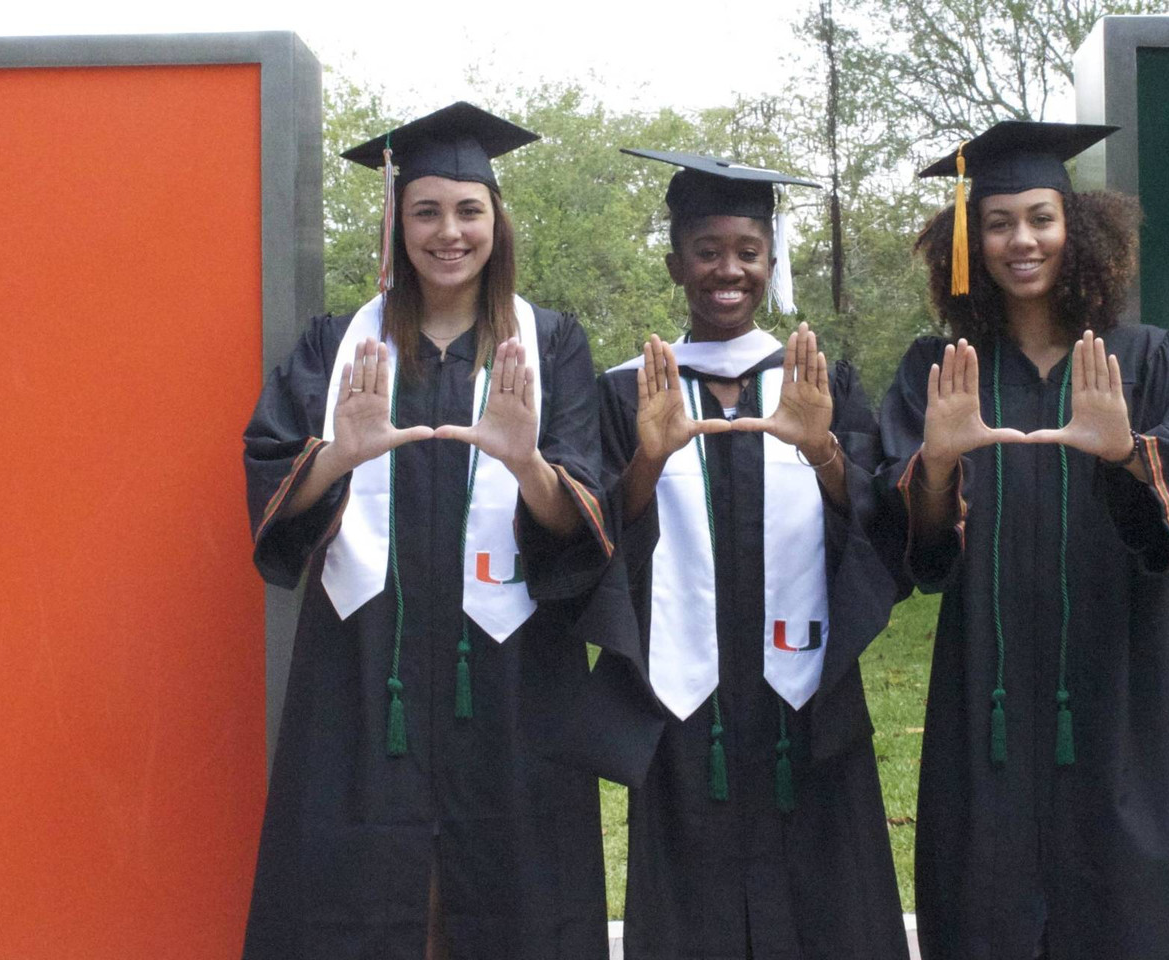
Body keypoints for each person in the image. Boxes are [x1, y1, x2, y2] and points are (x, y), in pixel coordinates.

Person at [240, 102, 613, 960]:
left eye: (468, 210)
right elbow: (272, 498)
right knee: (358, 883)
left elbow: (581, 518)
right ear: (397, 222)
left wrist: (529, 465)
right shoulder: (339, 347)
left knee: (515, 884)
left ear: (496, 220)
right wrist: (337, 456)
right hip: (366, 663)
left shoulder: (549, 344)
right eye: (427, 210)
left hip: (515, 664)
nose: (450, 232)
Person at [878, 120, 1169, 959]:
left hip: (1128, 677)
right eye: (1000, 221)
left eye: (1041, 218)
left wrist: (1126, 449)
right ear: (969, 242)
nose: (1022, 240)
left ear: (1076, 230)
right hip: (991, 694)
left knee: (1136, 909)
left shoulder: (1153, 362)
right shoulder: (940, 372)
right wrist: (935, 464)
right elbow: (913, 547)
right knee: (988, 900)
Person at [579, 149, 908, 960]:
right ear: (675, 264)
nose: (729, 270)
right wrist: (647, 459)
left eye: (748, 252)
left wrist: (823, 446)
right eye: (707, 250)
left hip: (807, 695)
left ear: (770, 261)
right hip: (685, 699)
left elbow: (879, 526)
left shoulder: (819, 381)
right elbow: (589, 534)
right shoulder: (628, 394)